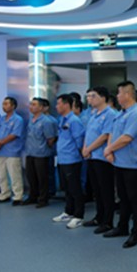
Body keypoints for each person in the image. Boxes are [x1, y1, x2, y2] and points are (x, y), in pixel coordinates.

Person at [103, 81, 137, 248]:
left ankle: (136, 233)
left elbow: (127, 138)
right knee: (123, 199)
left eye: (119, 93)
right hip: (120, 162)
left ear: (128, 95)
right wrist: (110, 151)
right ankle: (122, 227)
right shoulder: (121, 113)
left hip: (133, 165)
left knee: (135, 201)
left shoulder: (136, 114)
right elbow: (113, 133)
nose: (117, 96)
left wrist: (109, 149)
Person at [82, 86, 118, 233]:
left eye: (93, 96)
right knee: (97, 190)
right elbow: (88, 133)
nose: (89, 99)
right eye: (88, 96)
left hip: (102, 158)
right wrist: (85, 148)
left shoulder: (110, 114)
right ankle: (99, 217)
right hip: (91, 156)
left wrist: (88, 149)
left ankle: (108, 221)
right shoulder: (93, 113)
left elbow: (105, 135)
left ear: (103, 97)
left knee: (106, 190)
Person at [52, 94, 86, 228]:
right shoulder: (62, 119)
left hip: (72, 159)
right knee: (67, 189)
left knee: (75, 188)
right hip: (62, 159)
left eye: (58, 104)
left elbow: (79, 141)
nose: (56, 106)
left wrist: (79, 155)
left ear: (66, 105)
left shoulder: (74, 121)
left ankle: (78, 216)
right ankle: (68, 212)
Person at [23, 97, 58, 208]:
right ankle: (33, 196)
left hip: (42, 154)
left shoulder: (46, 121)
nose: (31, 106)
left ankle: (43, 199)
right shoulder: (31, 119)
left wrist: (45, 147)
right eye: (30, 104)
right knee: (31, 177)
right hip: (30, 152)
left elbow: (51, 138)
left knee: (42, 178)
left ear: (41, 107)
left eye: (34, 104)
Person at [0, 97, 25, 205]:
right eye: (3, 104)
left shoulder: (18, 119)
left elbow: (14, 135)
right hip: (0, 151)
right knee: (2, 175)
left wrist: (0, 143)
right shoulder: (1, 119)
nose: (4, 106)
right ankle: (4, 194)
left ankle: (18, 196)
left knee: (15, 175)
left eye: (6, 104)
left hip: (12, 151)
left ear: (13, 106)